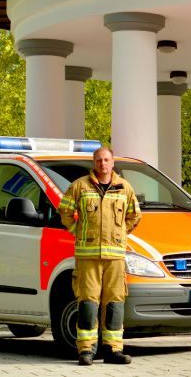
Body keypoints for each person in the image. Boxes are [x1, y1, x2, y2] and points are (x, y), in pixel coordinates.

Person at [58, 146, 141, 366]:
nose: (103, 164)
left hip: (115, 257)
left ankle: (113, 350)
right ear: (94, 164)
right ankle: (86, 350)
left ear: (113, 163)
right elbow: (64, 211)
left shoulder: (124, 188)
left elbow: (134, 216)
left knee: (115, 302)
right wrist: (78, 231)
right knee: (88, 303)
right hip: (88, 256)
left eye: (106, 160)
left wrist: (120, 234)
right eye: (99, 160)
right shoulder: (80, 186)